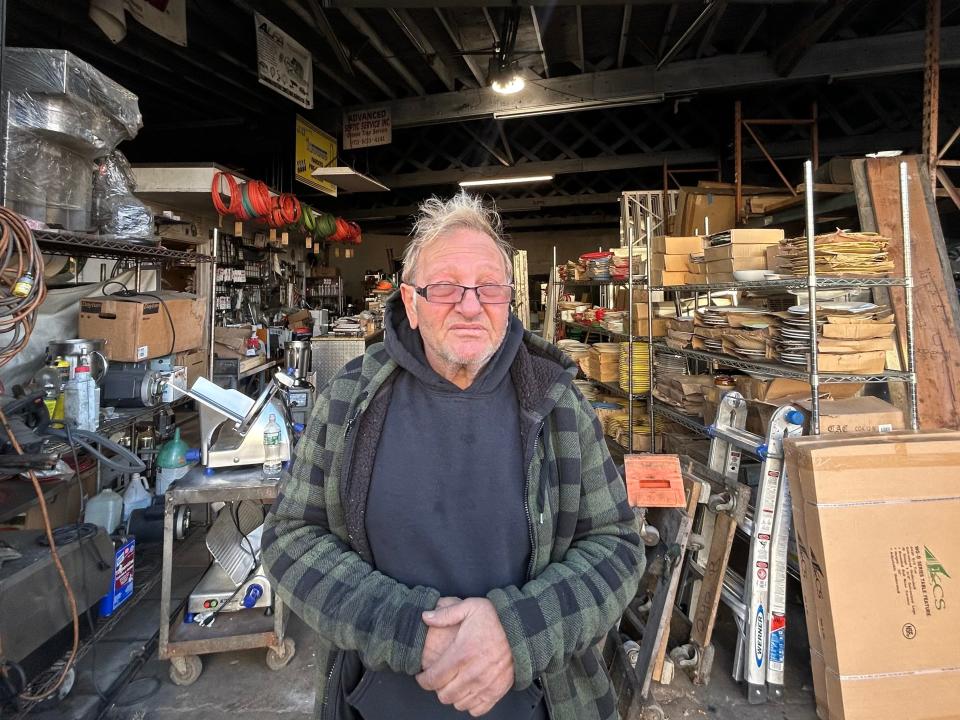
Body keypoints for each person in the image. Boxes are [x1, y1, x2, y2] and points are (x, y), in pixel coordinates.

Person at [262, 193, 644, 720]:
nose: (470, 304)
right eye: (444, 286)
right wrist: (405, 629)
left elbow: (618, 547)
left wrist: (517, 635)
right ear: (411, 303)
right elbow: (290, 539)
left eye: (490, 286)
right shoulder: (350, 399)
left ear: (509, 298)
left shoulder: (557, 403)